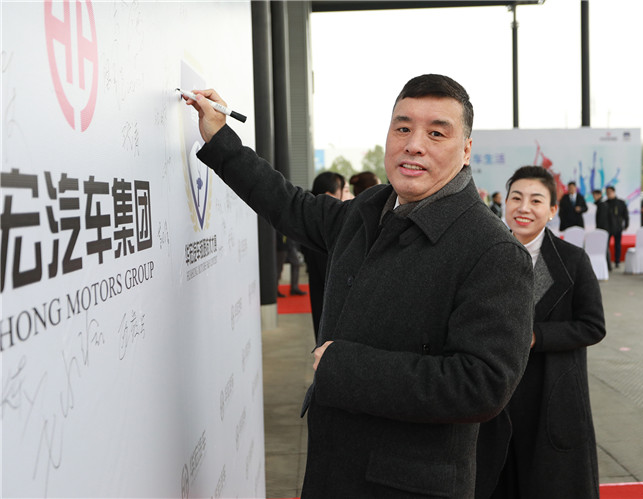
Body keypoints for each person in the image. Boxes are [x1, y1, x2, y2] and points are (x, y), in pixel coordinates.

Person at [184, 74, 534, 498]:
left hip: (409, 486)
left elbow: (483, 385)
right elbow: (289, 205)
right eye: (402, 128)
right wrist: (221, 139)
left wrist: (343, 367)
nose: (414, 145)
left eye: (436, 133)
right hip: (333, 468)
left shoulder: (492, 251)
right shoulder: (371, 207)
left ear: (466, 150)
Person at [476, 165, 606, 499]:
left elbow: (593, 325)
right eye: (516, 198)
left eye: (536, 200)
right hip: (494, 393)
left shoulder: (572, 260)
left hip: (551, 393)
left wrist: (536, 336)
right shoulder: (481, 256)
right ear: (504, 203)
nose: (524, 208)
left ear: (551, 210)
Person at [300, 171, 347, 339]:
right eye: (346, 190)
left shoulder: (315, 224)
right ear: (329, 196)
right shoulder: (325, 232)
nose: (350, 196)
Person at [276, 231, 306, 297]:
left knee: (296, 263)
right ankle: (274, 290)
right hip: (281, 245)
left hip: (290, 244)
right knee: (278, 268)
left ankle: (294, 288)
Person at [605, 185, 629, 268]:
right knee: (606, 245)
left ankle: (617, 261)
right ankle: (607, 262)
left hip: (618, 227)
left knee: (617, 245)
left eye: (610, 192)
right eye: (607, 193)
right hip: (608, 228)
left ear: (613, 192)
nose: (608, 194)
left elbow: (625, 214)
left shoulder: (620, 203)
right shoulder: (605, 203)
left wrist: (626, 224)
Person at [592, 189, 612, 269]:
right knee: (604, 247)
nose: (594, 197)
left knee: (604, 247)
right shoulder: (601, 204)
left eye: (595, 195)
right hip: (604, 229)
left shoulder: (602, 205)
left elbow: (602, 219)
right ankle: (607, 265)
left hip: (603, 229)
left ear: (599, 195)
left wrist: (599, 230)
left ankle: (608, 265)